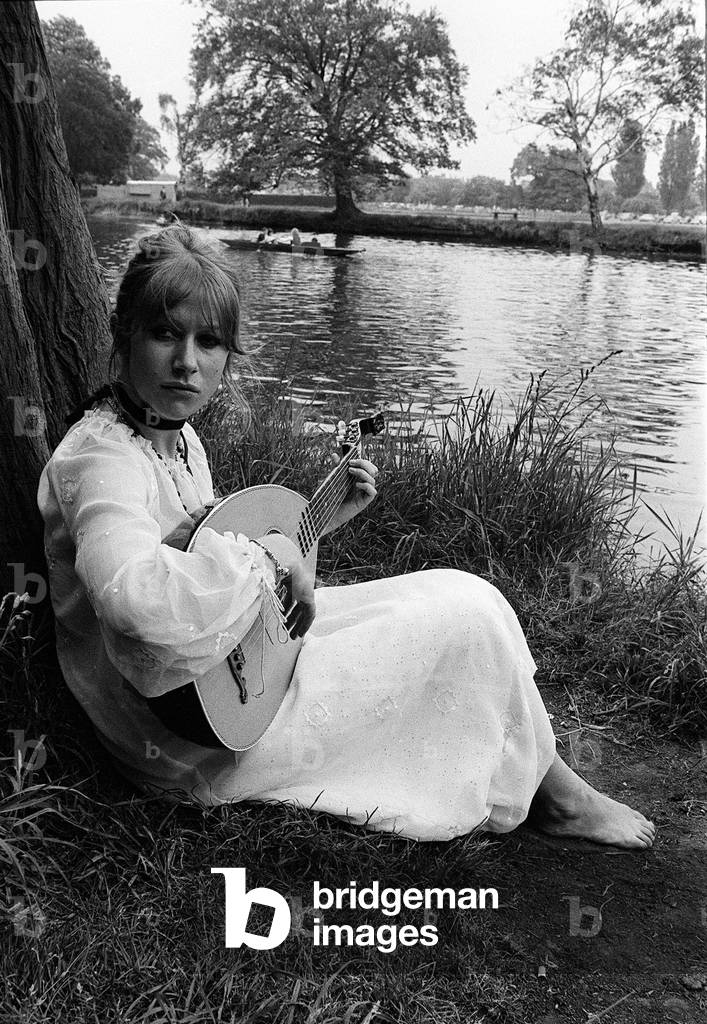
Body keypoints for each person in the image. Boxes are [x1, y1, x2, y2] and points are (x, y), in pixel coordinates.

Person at [37, 226, 656, 849]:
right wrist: (274, 556)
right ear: (123, 334)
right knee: (463, 617)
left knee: (471, 593)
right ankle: (562, 799)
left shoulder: (176, 437)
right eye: (165, 333)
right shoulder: (103, 459)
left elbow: (202, 552)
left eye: (210, 341)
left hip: (219, 671)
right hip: (181, 731)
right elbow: (138, 602)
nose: (187, 362)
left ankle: (554, 786)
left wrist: (317, 525)